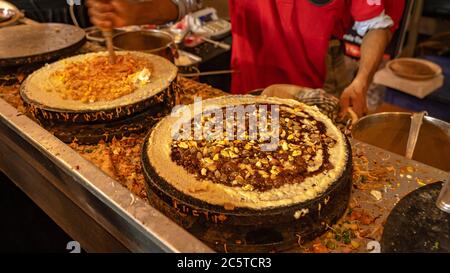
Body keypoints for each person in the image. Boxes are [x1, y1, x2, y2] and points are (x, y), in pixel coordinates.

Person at [87, 0, 402, 117]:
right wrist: (134, 11)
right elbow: (185, 2)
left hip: (313, 79)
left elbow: (376, 26)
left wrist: (361, 82)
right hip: (250, 73)